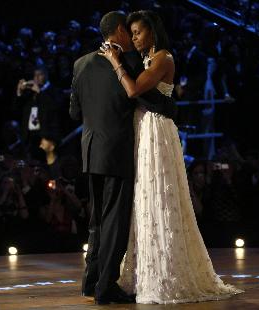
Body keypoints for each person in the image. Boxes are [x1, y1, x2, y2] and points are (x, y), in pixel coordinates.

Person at [99, 10, 243, 304]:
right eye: (133, 33)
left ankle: (168, 273)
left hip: (157, 132)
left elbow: (135, 89)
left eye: (138, 32)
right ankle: (145, 271)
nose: (135, 38)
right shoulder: (145, 59)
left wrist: (115, 62)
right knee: (144, 198)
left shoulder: (163, 57)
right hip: (144, 130)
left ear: (152, 31)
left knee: (159, 196)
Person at [69, 11, 176, 305]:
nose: (133, 37)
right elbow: (143, 97)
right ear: (119, 30)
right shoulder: (127, 63)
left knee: (96, 222)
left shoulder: (80, 63)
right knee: (114, 223)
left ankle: (90, 283)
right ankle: (105, 288)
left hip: (90, 152)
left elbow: (74, 113)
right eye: (129, 32)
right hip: (117, 153)